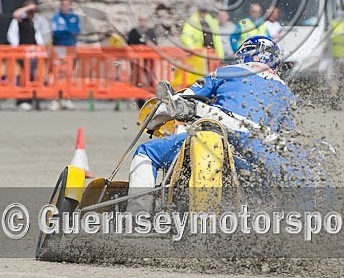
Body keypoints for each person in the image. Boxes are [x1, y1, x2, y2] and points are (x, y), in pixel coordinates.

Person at [126, 36, 320, 212]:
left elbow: (177, 102)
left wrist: (151, 124)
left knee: (147, 152)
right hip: (261, 147)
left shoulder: (227, 71)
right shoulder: (286, 92)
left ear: (244, 54)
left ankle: (137, 219)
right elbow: (288, 137)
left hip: (221, 130)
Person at [7, 0, 51, 111]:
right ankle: (23, 99)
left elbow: (39, 37)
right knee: (26, 75)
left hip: (35, 53)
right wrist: (27, 8)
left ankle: (33, 98)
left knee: (35, 76)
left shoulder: (35, 22)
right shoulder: (21, 20)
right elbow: (16, 15)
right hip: (23, 52)